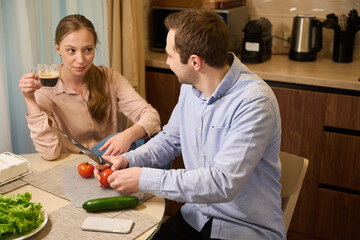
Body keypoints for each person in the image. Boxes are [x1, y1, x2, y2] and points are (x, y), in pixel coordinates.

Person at [94, 8, 285, 240]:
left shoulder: (254, 101)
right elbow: (171, 140)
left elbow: (222, 182)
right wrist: (128, 160)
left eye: (170, 56)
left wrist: (143, 179)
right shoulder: (190, 86)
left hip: (244, 228)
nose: (166, 62)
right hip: (196, 216)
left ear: (195, 61)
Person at [19, 14, 161, 160]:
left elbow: (152, 117)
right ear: (58, 49)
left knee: (157, 139)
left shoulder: (109, 77)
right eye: (71, 51)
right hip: (75, 167)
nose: (81, 60)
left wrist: (128, 135)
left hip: (112, 162)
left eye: (87, 49)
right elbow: (49, 153)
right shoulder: (45, 91)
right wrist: (30, 99)